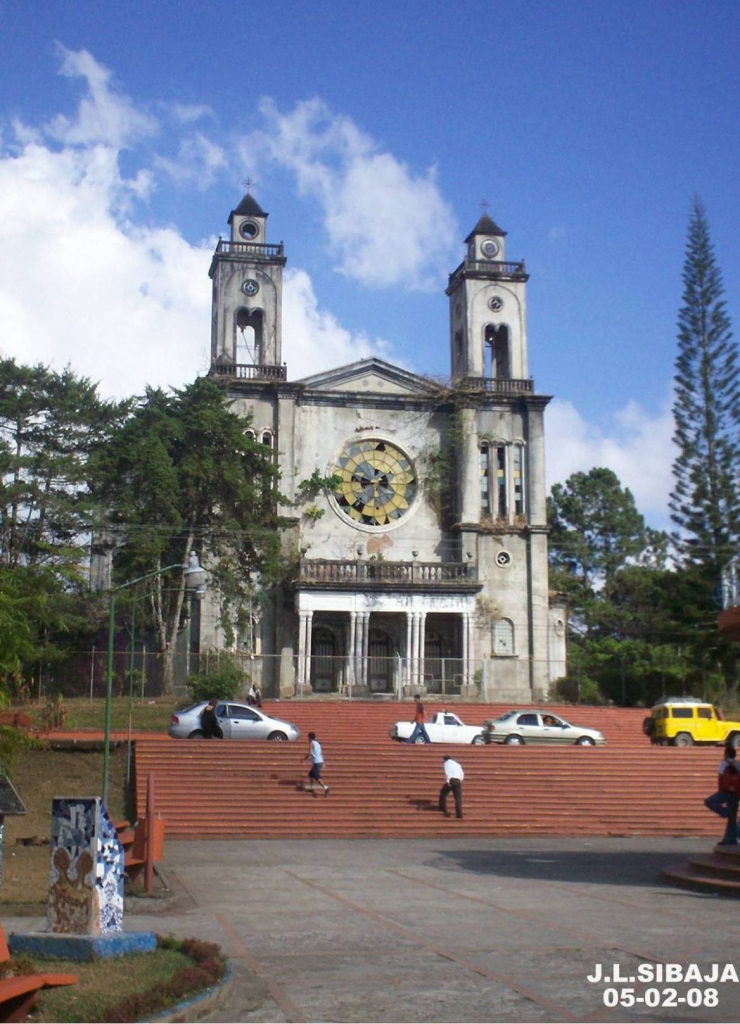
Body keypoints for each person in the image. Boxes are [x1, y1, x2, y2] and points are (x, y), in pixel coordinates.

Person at [713, 743, 740, 845]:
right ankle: (729, 840)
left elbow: (720, 776)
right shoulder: (738, 763)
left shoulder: (724, 763)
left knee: (709, 801)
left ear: (727, 753)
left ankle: (724, 812)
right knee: (732, 818)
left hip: (726, 791)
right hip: (736, 793)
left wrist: (720, 789)